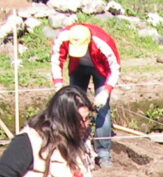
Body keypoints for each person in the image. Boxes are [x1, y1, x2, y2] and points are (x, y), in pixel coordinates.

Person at [50, 22, 121, 167]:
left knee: (102, 109)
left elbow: (115, 68)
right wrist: (58, 85)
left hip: (101, 68)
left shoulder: (103, 43)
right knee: (73, 107)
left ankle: (103, 154)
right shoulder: (64, 37)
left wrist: (105, 91)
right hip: (78, 67)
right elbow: (56, 60)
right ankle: (76, 147)